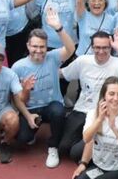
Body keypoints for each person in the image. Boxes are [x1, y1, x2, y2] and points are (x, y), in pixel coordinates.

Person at [12, 10, 76, 169]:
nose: (38, 50)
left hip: (51, 106)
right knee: (22, 138)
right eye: (34, 46)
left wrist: (59, 28)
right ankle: (32, 129)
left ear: (47, 47)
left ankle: (53, 146)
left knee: (58, 111)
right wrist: (27, 114)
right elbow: (17, 99)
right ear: (28, 45)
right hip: (31, 109)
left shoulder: (53, 57)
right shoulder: (18, 67)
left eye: (42, 47)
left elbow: (71, 49)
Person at [58, 30, 118, 162]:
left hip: (106, 113)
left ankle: (91, 149)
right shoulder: (83, 61)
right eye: (97, 47)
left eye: (105, 47)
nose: (101, 51)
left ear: (110, 47)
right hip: (82, 110)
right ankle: (92, 143)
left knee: (75, 154)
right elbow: (62, 74)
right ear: (92, 47)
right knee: (63, 149)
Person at [70, 77, 118, 179]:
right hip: (99, 166)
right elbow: (87, 139)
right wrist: (99, 119)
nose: (116, 98)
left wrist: (114, 127)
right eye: (111, 94)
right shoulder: (93, 114)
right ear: (104, 96)